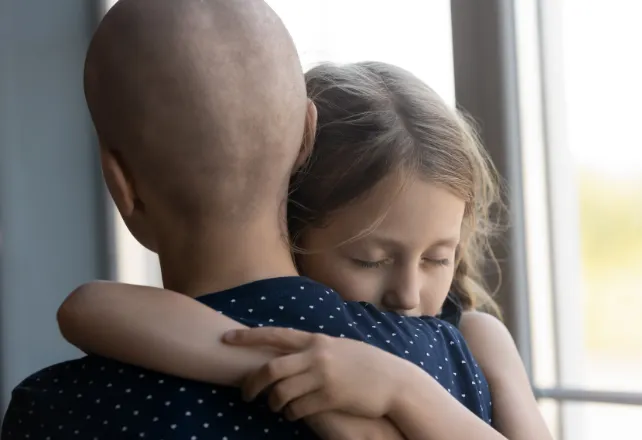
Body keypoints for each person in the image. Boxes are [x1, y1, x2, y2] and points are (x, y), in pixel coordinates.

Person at [0, 1, 503, 439]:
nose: (408, 294)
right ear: (307, 138)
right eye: (371, 258)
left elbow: (85, 308)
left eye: (438, 257)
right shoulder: (440, 355)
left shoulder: (56, 411)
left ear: (120, 184)